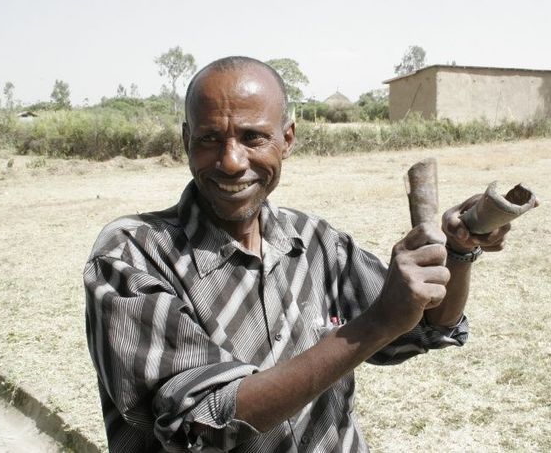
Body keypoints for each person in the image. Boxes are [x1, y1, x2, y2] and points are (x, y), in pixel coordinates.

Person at [84, 56, 512, 452]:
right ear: (186, 140)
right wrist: (377, 322)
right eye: (210, 138)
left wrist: (458, 252)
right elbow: (207, 422)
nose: (231, 161)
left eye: (253, 137)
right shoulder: (132, 254)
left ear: (287, 138)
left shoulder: (313, 240)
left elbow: (429, 326)